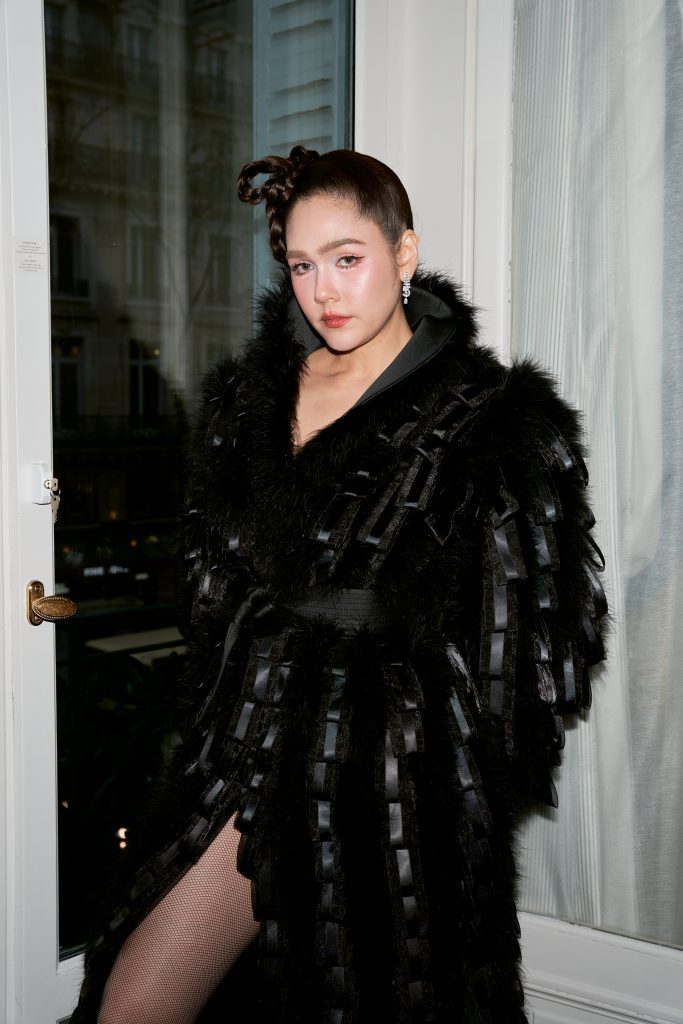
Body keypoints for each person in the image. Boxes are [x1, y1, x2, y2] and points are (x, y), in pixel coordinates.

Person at [70, 146, 607, 1024]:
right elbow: (207, 582)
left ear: (403, 253)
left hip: (400, 787)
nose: (324, 290)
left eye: (347, 258)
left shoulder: (495, 419)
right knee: (135, 997)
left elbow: (538, 644)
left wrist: (442, 764)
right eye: (302, 266)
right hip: (241, 750)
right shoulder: (247, 399)